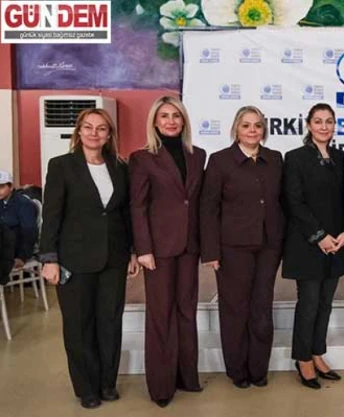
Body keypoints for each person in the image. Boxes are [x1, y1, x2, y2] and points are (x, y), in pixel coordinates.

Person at [39, 108, 140, 409]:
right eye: (88, 127)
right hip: (74, 260)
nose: (94, 133)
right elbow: (51, 214)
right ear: (79, 131)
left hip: (114, 258)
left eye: (101, 128)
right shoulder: (61, 166)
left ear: (109, 135)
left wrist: (132, 251)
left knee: (110, 322)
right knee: (79, 326)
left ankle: (107, 383)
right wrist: (49, 258)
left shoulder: (119, 167)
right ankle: (86, 388)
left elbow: (125, 214)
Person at [129, 96, 206, 407]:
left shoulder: (198, 155)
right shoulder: (142, 158)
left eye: (176, 115)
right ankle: (161, 386)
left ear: (184, 120)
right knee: (161, 314)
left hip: (189, 245)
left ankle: (187, 377)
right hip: (158, 249)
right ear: (155, 122)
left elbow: (196, 202)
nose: (171, 121)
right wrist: (143, 248)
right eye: (164, 116)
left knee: (187, 311)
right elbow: (137, 206)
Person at [200, 105, 284, 389]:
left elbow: (281, 203)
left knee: (262, 309)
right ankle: (238, 371)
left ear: (264, 130)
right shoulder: (220, 161)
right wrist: (211, 251)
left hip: (268, 247)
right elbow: (208, 209)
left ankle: (258, 370)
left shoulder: (275, 159)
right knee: (235, 310)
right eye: (246, 125)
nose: (252, 130)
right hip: (232, 249)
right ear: (236, 128)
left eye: (257, 125)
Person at [282, 103, 344, 389]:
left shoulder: (342, 158)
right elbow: (294, 202)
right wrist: (320, 236)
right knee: (309, 304)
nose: (324, 126)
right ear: (309, 125)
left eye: (329, 121)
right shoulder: (295, 158)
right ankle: (303, 359)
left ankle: (317, 353)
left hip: (337, 243)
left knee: (325, 304)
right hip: (308, 244)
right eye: (318, 121)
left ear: (334, 126)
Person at [0, 169, 38, 275]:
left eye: (1, 187)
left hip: (14, 249)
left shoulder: (24, 204)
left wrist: (22, 257)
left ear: (11, 187)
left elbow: (29, 232)